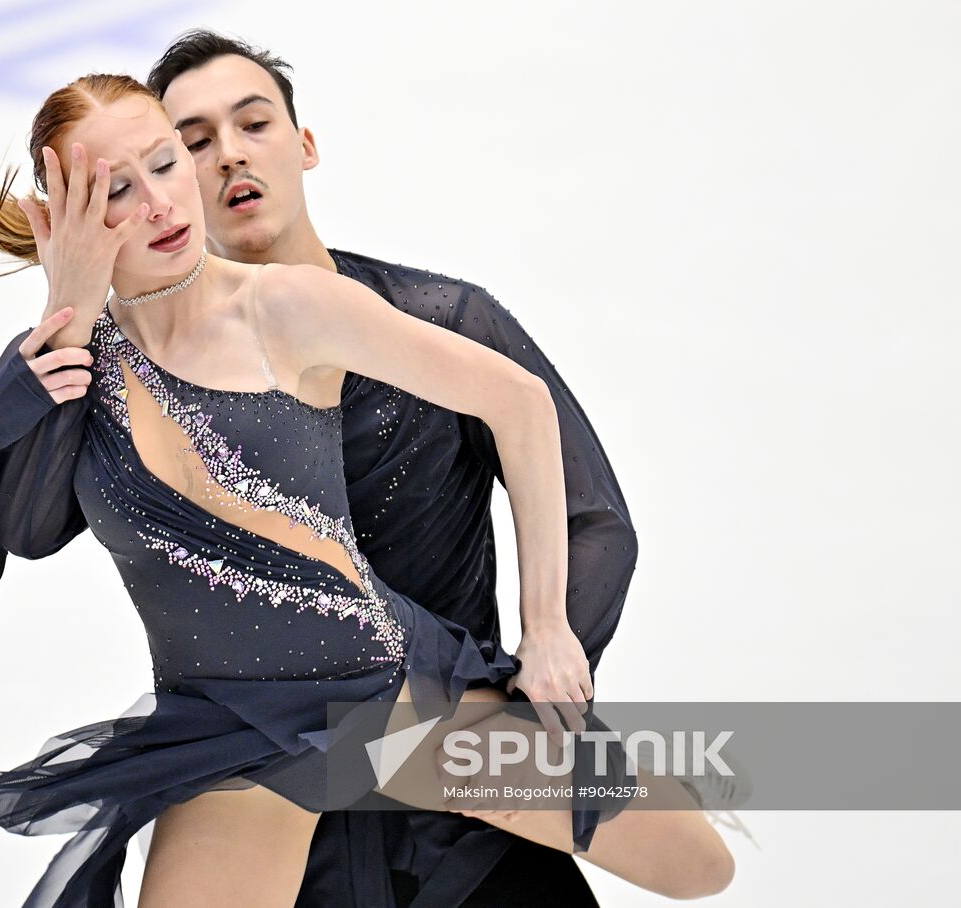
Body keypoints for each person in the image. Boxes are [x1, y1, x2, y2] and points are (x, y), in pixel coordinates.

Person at [0, 73, 733, 907]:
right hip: (227, 737)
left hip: (384, 690)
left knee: (698, 863)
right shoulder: (64, 369)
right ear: (67, 220)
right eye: (117, 190)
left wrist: (549, 625)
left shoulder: (288, 307)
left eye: (166, 163)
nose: (161, 202)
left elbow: (518, 400)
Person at [140, 31, 640, 907]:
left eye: (254, 123)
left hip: (472, 825)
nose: (230, 155)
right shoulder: (160, 381)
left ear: (304, 145)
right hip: (286, 832)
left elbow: (594, 517)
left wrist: (533, 672)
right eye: (193, 143)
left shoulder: (444, 319)